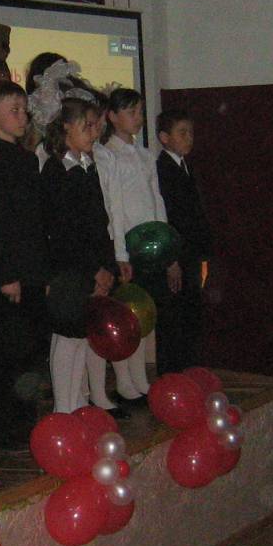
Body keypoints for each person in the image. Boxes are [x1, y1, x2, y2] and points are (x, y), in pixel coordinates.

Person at [0, 79, 49, 445]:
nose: (22, 117)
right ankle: (3, 427)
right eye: (13, 110)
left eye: (23, 110)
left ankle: (25, 421)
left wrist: (40, 272)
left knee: (31, 351)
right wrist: (6, 275)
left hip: (30, 269)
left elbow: (33, 221)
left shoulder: (26, 159)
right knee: (7, 353)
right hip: (7, 274)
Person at [37, 84, 116, 413]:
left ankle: (75, 403)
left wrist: (107, 266)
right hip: (70, 268)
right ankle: (63, 407)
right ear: (67, 127)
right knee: (67, 336)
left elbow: (99, 222)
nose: (95, 133)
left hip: (92, 265)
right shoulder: (56, 170)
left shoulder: (87, 166)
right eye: (88, 126)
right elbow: (63, 230)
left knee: (82, 336)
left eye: (96, 126)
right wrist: (92, 269)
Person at [93, 87, 159, 401]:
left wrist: (161, 237)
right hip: (125, 243)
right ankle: (123, 380)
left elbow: (156, 199)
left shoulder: (145, 155)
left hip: (148, 244)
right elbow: (115, 208)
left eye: (140, 112)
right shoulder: (109, 155)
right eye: (131, 112)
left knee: (142, 311)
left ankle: (139, 377)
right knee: (124, 313)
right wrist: (120, 250)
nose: (138, 118)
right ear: (112, 116)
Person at [153, 108, 211, 375]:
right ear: (164, 137)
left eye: (191, 133)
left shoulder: (185, 167)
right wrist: (171, 259)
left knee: (190, 317)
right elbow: (167, 217)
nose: (189, 138)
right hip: (177, 254)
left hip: (191, 253)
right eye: (182, 133)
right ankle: (173, 376)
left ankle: (189, 373)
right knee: (174, 321)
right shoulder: (162, 169)